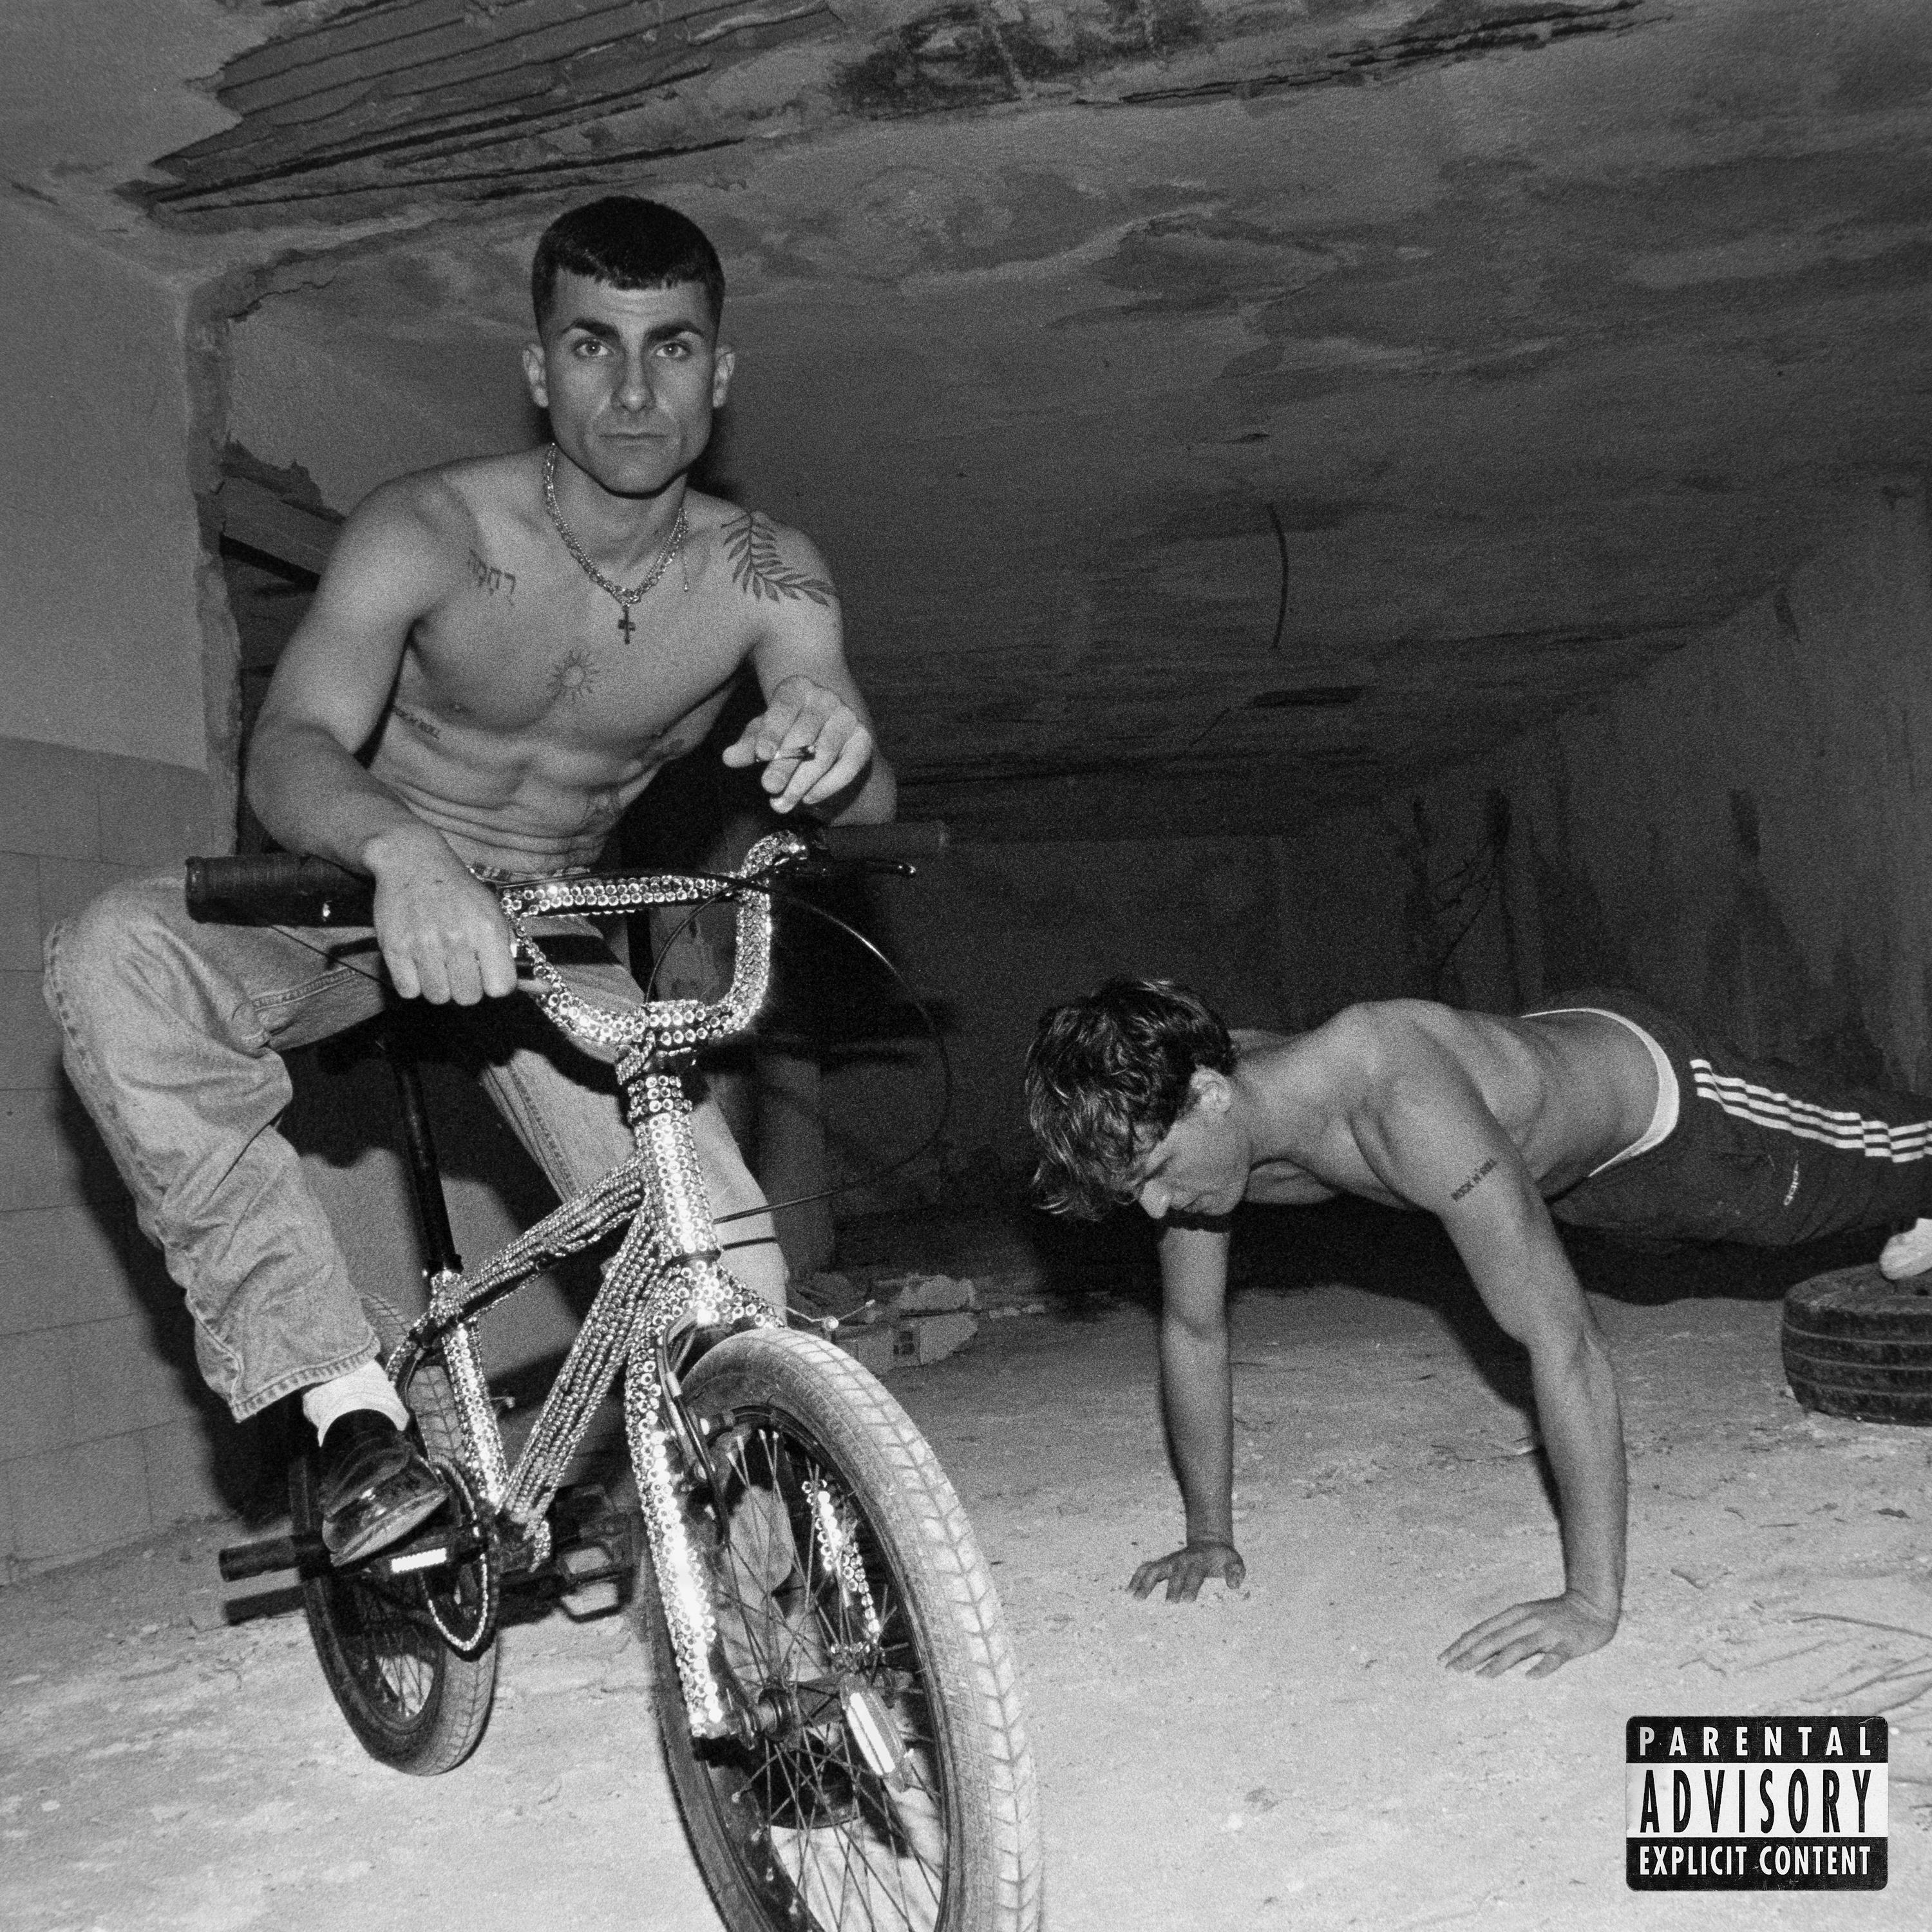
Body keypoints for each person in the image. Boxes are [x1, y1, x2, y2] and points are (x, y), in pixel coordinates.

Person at [45, 196, 894, 1566]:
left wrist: (831, 742)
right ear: (539, 370)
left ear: (720, 375)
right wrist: (405, 853)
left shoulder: (764, 573)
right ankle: (347, 1412)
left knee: (729, 1269)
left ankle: (780, 1628)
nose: (634, 390)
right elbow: (293, 744)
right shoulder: (431, 527)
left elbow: (850, 760)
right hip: (357, 900)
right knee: (112, 951)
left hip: (553, 921)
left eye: (672, 348)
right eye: (594, 345)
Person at [1025, 980, 1932, 1678]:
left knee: (1893, 1159)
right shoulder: (1211, 1121)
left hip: (1670, 1116)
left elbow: (1565, 1347)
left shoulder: (1404, 1104)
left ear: (1211, 1095)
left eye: (1156, 1172)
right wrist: (1209, 1534)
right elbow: (1194, 1331)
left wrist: (1589, 1605)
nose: (1155, 1208)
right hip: (1559, 1172)